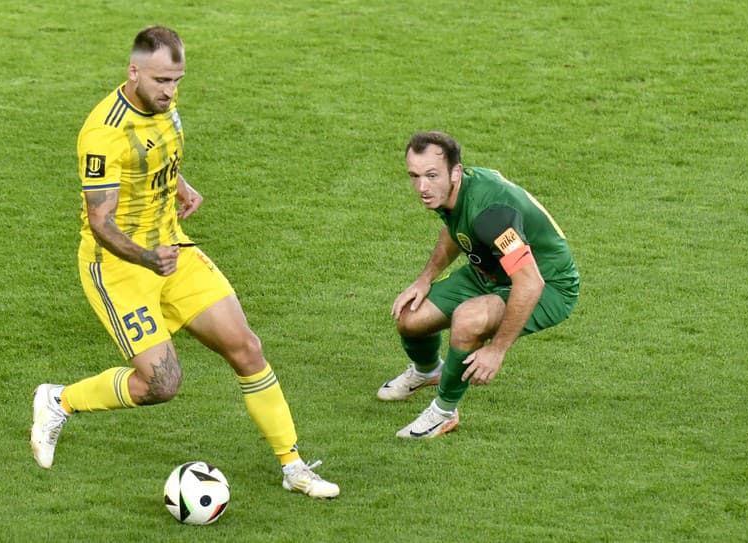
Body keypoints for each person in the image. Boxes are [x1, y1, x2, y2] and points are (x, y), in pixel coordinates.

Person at [30, 26, 338, 499]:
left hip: (172, 249)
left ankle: (293, 466)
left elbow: (158, 156)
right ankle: (59, 400)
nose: (171, 92)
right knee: (160, 383)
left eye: (178, 81)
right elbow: (101, 224)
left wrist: (179, 185)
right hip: (119, 265)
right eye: (161, 81)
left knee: (247, 348)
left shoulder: (164, 106)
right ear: (133, 71)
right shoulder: (103, 132)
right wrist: (149, 259)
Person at [378, 131, 579, 439]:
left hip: (547, 283)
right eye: (414, 176)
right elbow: (455, 227)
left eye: (431, 175)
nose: (422, 187)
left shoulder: (493, 216)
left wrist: (497, 349)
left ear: (455, 171)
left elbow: (529, 282)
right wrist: (424, 279)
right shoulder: (454, 192)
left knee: (469, 320)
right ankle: (428, 370)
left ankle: (444, 412)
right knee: (410, 316)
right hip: (489, 271)